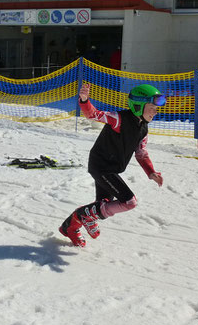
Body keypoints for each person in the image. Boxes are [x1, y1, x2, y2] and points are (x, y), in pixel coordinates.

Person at [59, 83, 165, 247]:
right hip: (101, 167)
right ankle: (81, 216)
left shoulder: (143, 129)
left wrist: (151, 172)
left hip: (111, 169)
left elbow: (141, 153)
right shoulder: (119, 119)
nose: (155, 111)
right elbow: (93, 114)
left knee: (104, 202)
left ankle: (70, 227)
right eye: (152, 107)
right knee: (129, 202)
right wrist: (85, 100)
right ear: (138, 105)